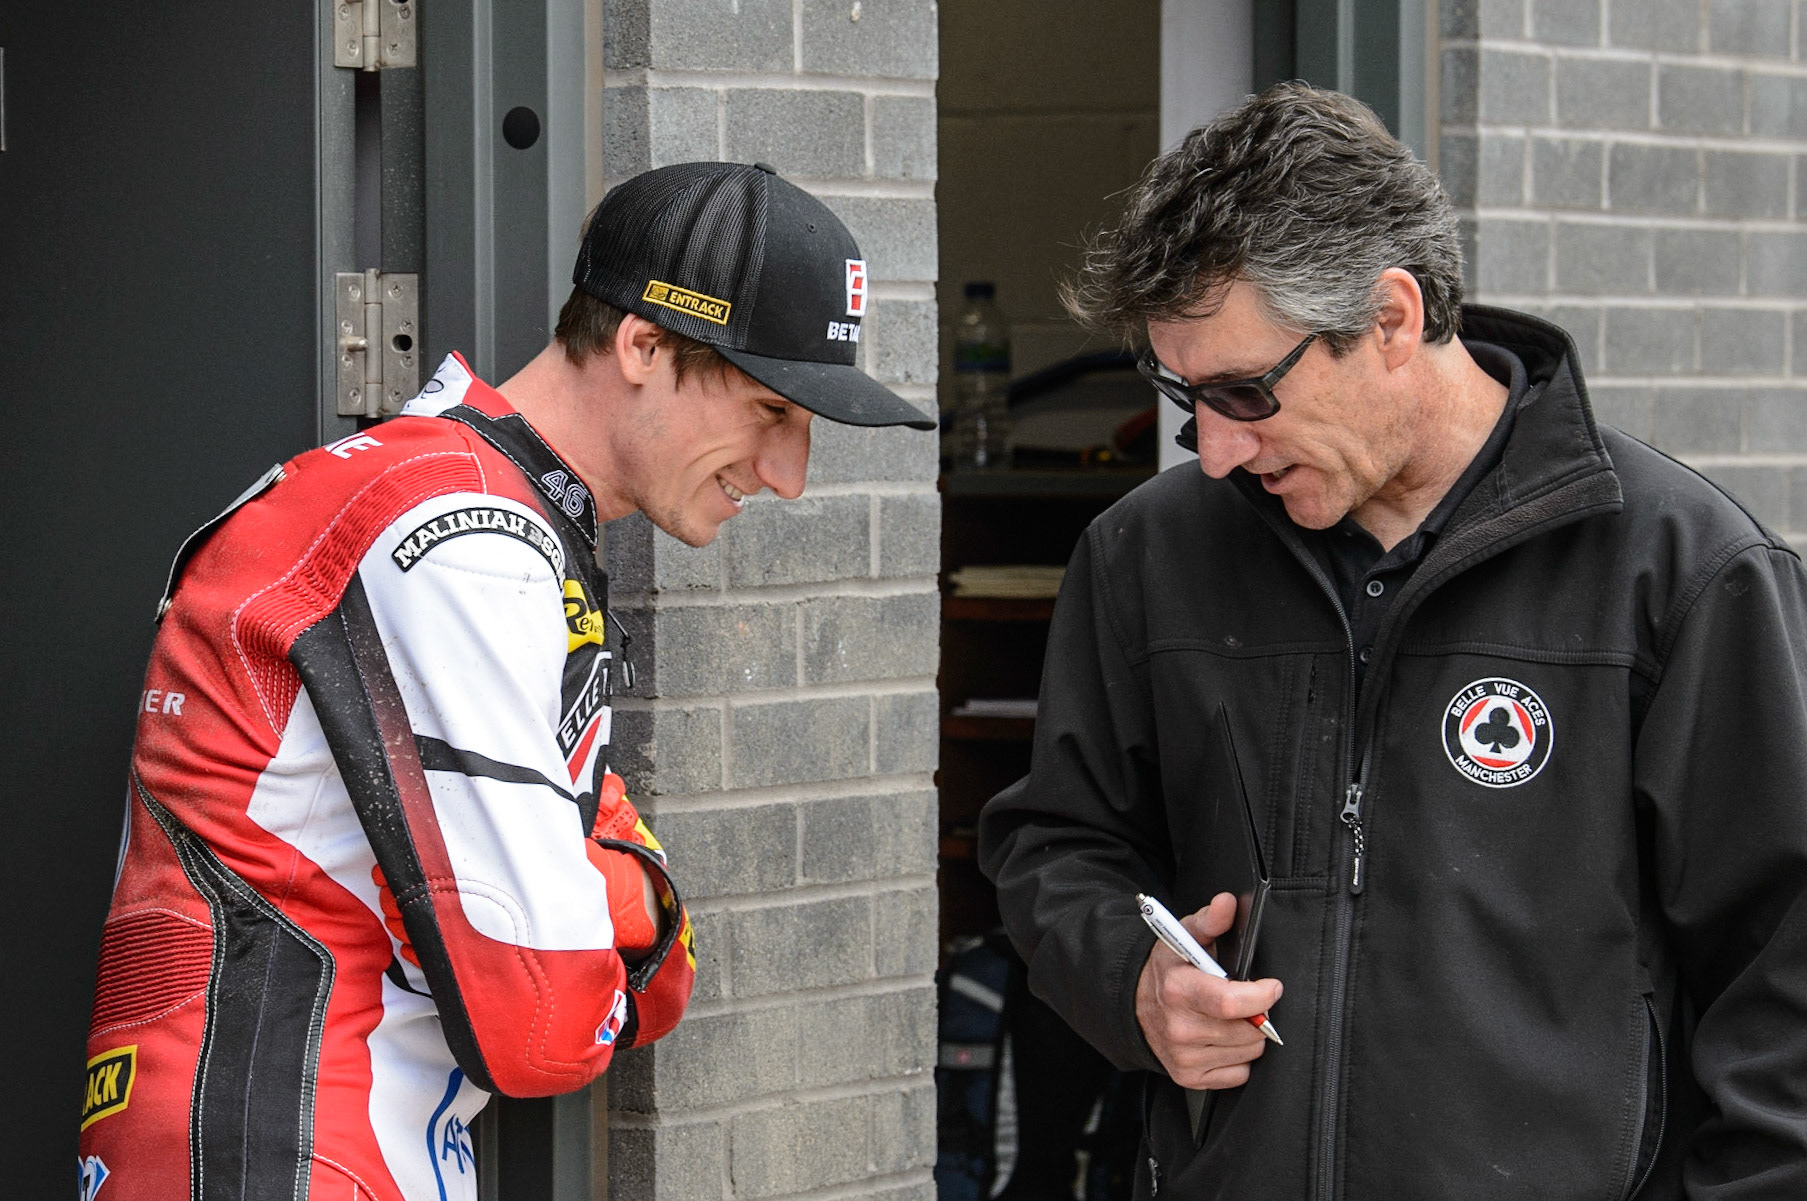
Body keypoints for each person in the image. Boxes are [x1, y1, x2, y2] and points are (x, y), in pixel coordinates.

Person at [977, 82, 1807, 1200]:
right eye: (1186, 397)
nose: (1214, 450)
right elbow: (1055, 846)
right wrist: (1133, 983)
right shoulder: (1145, 558)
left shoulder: (1681, 572)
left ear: (1391, 320)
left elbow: (1783, 975)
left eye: (1242, 393)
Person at [78, 161, 934, 1201]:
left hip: (306, 1140)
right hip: (282, 1151)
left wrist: (592, 889)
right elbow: (544, 1016)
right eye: (768, 410)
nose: (790, 473)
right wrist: (625, 891)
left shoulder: (467, 506)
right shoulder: (454, 536)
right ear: (642, 344)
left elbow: (626, 974)